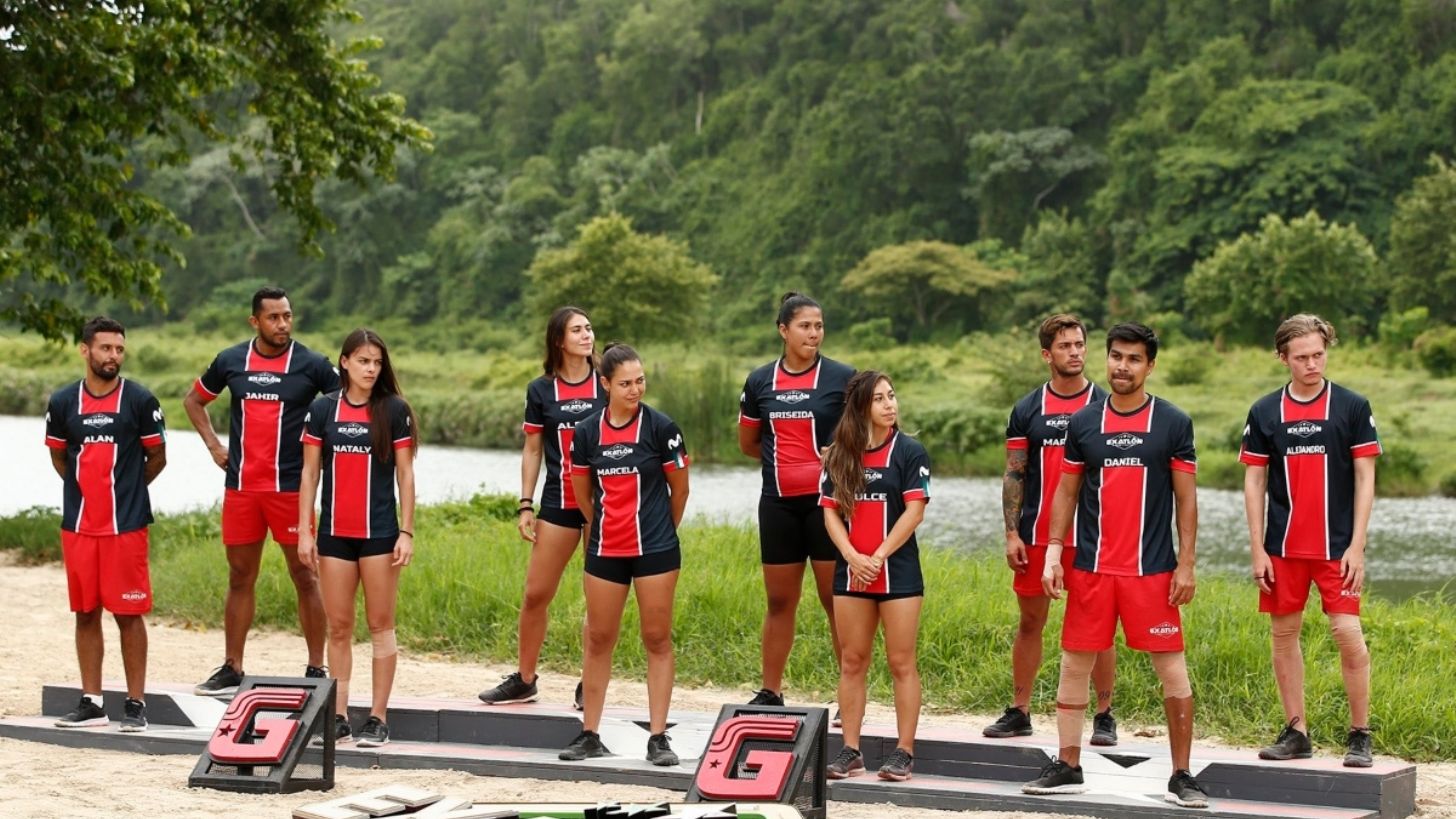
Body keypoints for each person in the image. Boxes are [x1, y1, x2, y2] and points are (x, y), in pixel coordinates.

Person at [1022, 323, 1209, 809]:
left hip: (1152, 571)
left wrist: (1187, 563)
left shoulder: (1173, 422)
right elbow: (1066, 491)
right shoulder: (1084, 422)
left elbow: (1186, 501)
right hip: (1091, 569)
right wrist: (1054, 553)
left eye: (1134, 359)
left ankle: (1182, 775)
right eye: (1117, 357)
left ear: (1150, 365)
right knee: (1074, 664)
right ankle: (1068, 765)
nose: (1123, 367)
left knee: (1172, 669)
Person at [183, 286, 338, 695]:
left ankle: (316, 668)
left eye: (287, 316)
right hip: (242, 489)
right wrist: (214, 446)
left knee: (305, 575)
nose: (282, 324)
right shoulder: (231, 360)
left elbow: (348, 403)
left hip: (291, 490)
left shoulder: (311, 363)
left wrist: (323, 453)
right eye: (273, 317)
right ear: (255, 321)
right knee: (240, 576)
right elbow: (193, 401)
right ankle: (232, 667)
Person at [1240, 314, 1380, 768]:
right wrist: (1257, 548)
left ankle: (1360, 734)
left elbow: (1365, 477)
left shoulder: (1352, 406)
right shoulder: (1265, 411)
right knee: (1283, 635)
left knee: (1347, 634)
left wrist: (1357, 545)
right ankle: (1296, 732)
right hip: (1283, 548)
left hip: (1337, 548)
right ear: (1283, 358)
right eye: (1301, 357)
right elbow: (1254, 482)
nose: (1312, 364)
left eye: (1318, 354)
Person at [986, 314, 1118, 745]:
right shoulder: (1027, 409)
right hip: (1037, 534)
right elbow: (1014, 472)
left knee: (1097, 627)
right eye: (1065, 346)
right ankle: (1020, 710)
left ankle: (1104, 715)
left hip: (1091, 537)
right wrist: (1012, 533)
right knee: (1030, 622)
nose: (1075, 352)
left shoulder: (1106, 405)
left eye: (1080, 344)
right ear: (1047, 354)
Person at [558, 344, 689, 767]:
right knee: (598, 639)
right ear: (606, 384)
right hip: (605, 550)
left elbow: (680, 490)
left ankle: (658, 738)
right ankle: (589, 734)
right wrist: (603, 526)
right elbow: (583, 495)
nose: (635, 390)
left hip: (655, 549)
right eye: (626, 383)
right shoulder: (586, 433)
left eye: (640, 381)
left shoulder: (662, 427)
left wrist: (660, 530)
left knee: (657, 638)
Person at [297, 328, 418, 747]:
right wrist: (305, 531)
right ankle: (339, 716)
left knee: (380, 626)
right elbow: (309, 474)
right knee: (339, 628)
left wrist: (406, 531)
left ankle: (378, 718)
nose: (371, 369)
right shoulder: (322, 409)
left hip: (380, 535)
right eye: (363, 361)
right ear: (344, 362)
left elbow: (405, 474)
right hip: (334, 535)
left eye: (377, 362)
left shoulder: (394, 410)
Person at [47, 317, 167, 732]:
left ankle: (136, 705)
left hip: (126, 526)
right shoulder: (63, 402)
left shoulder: (140, 400)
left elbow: (157, 458)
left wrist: (125, 490)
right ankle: (92, 702)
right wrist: (88, 493)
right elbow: (60, 458)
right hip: (79, 526)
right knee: (85, 613)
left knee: (128, 614)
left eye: (119, 349)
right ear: (86, 350)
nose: (113, 355)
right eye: (105, 348)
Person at [480, 307, 603, 709]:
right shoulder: (540, 390)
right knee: (535, 594)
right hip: (558, 502)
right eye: (577, 330)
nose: (586, 335)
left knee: (597, 599)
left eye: (588, 328)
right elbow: (532, 449)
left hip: (605, 506)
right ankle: (525, 680)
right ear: (558, 340)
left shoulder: (606, 382)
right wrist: (525, 504)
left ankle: (591, 682)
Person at [738, 292, 854, 708]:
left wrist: (840, 452)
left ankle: (850, 696)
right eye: (805, 326)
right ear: (783, 330)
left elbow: (870, 436)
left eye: (819, 326)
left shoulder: (843, 378)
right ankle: (771, 692)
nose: (814, 333)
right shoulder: (759, 381)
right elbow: (750, 444)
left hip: (827, 508)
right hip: (778, 506)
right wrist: (786, 464)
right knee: (779, 601)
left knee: (834, 601)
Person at [819, 371, 930, 782]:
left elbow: (915, 512)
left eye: (892, 396)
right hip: (852, 574)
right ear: (861, 407)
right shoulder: (840, 454)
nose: (889, 404)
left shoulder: (910, 451)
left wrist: (878, 556)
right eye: (879, 398)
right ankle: (850, 750)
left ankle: (904, 752)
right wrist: (852, 556)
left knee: (901, 662)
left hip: (896, 572)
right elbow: (830, 512)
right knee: (852, 661)